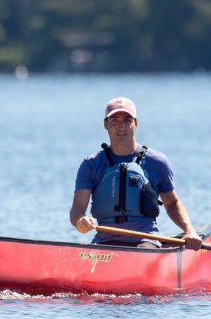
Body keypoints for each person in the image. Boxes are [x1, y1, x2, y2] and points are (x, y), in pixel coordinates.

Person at [69, 97, 202, 249]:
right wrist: (80, 221)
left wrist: (189, 230)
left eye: (127, 120)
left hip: (145, 242)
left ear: (135, 123)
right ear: (105, 124)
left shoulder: (157, 162)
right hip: (104, 242)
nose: (121, 127)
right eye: (114, 121)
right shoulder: (91, 164)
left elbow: (172, 203)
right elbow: (77, 210)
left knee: (141, 252)